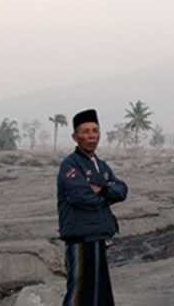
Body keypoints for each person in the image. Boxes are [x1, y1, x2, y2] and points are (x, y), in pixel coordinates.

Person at [57, 109, 128, 306]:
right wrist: (107, 194)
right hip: (80, 237)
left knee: (100, 293)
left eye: (95, 130)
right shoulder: (70, 165)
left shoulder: (101, 165)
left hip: (99, 235)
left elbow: (122, 190)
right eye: (85, 131)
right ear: (75, 137)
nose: (91, 136)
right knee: (79, 292)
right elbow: (80, 196)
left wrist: (102, 190)